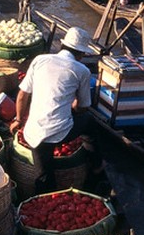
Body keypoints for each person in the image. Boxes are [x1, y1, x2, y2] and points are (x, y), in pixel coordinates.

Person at [13, 27, 97, 192]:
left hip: (32, 132)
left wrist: (17, 120)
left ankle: (43, 189)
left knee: (43, 172)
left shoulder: (39, 60)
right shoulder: (82, 71)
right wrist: (74, 107)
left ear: (63, 46)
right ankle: (96, 166)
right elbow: (83, 106)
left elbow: (22, 95)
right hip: (60, 133)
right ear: (81, 54)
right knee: (89, 122)